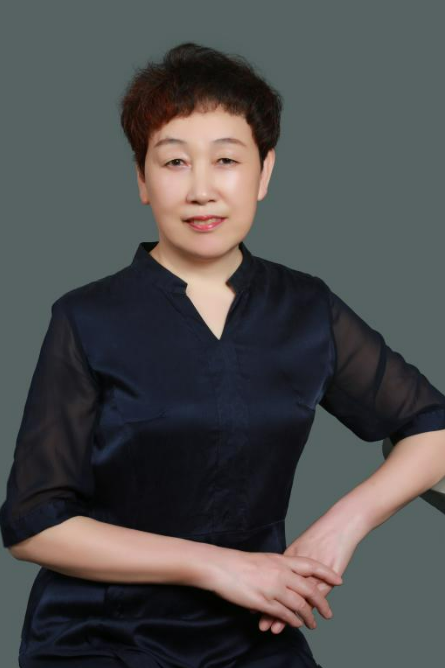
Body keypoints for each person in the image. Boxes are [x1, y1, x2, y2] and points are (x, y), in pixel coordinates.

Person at [2, 42, 445, 668]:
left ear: (264, 173)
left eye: (227, 160)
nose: (202, 189)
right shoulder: (86, 317)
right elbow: (34, 522)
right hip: (101, 636)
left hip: (255, 631)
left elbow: (432, 426)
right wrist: (218, 566)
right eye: (174, 162)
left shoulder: (306, 307)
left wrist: (337, 531)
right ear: (142, 179)